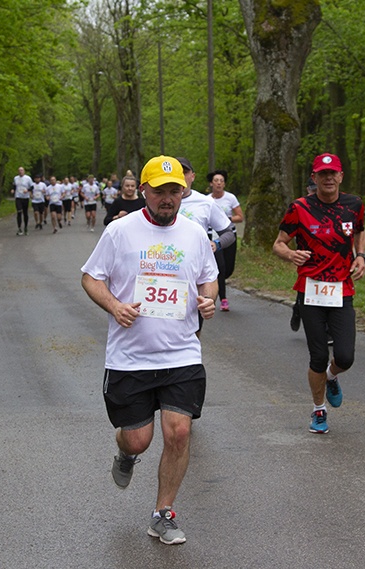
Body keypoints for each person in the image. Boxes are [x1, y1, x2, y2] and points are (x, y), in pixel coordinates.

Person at [81, 155, 218, 546]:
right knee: (138, 439)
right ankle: (125, 454)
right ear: (144, 190)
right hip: (130, 358)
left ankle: (163, 513)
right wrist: (115, 306)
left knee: (178, 433)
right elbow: (91, 278)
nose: (167, 199)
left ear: (183, 192)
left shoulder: (193, 234)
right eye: (159, 191)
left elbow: (209, 278)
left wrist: (207, 301)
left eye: (174, 191)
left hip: (182, 355)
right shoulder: (120, 231)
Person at [272, 153, 365, 435]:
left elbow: (360, 231)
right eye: (322, 174)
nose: (327, 178)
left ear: (340, 177)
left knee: (345, 356)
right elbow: (278, 243)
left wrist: (361, 256)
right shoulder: (300, 207)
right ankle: (318, 410)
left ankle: (331, 377)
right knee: (316, 355)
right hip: (310, 289)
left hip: (341, 288)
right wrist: (290, 254)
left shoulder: (353, 205)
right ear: (314, 178)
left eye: (332, 173)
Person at [176, 157, 236, 335]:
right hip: (165, 268)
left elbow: (229, 233)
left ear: (192, 176)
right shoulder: (158, 202)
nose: (181, 176)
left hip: (195, 273)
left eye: (185, 172)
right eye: (176, 172)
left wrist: (215, 244)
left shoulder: (205, 202)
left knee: (194, 329)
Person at [208, 170, 244, 311]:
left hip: (229, 237)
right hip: (213, 239)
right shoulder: (206, 200)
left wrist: (225, 220)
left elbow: (240, 217)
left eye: (221, 181)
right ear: (211, 183)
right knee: (220, 268)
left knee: (228, 269)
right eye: (216, 180)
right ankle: (223, 299)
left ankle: (220, 282)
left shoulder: (230, 198)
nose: (218, 183)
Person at [290, 177, 318, 332]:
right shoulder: (301, 206)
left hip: (329, 255)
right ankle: (298, 308)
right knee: (307, 286)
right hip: (307, 253)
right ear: (308, 190)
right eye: (313, 190)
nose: (315, 193)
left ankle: (328, 330)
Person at [11, 167, 33, 235]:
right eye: (19, 170)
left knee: (25, 213)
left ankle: (26, 228)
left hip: (25, 197)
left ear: (24, 171)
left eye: (21, 170)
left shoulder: (28, 178)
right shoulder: (16, 178)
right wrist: (13, 190)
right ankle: (19, 228)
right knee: (19, 211)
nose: (20, 172)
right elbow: (14, 185)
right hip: (18, 197)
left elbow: (32, 187)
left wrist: (28, 190)